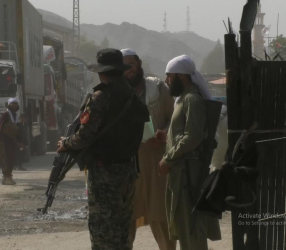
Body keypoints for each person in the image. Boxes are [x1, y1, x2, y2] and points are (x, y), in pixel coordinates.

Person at [57, 48, 149, 250]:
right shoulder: (133, 97)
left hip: (105, 173)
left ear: (102, 72)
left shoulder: (100, 98)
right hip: (128, 172)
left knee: (103, 232)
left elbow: (85, 136)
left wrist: (66, 143)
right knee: (122, 229)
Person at [158, 55, 221, 250]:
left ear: (182, 76)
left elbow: (192, 137)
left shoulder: (192, 99)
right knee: (184, 226)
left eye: (170, 76)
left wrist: (168, 158)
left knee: (191, 227)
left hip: (188, 175)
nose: (167, 81)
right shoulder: (183, 99)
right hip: (181, 173)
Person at [121, 49, 176, 250]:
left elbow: (175, 120)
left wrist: (164, 132)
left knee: (160, 214)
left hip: (156, 162)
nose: (128, 70)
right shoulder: (114, 93)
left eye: (131, 65)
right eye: (124, 67)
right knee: (125, 216)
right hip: (126, 164)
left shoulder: (159, 90)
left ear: (139, 64)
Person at [0, 98, 22, 185]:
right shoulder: (6, 114)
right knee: (8, 158)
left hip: (12, 139)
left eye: (15, 104)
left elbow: (16, 129)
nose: (14, 105)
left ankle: (5, 177)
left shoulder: (15, 115)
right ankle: (8, 177)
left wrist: (20, 141)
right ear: (9, 105)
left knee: (11, 157)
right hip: (5, 139)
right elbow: (0, 127)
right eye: (12, 104)